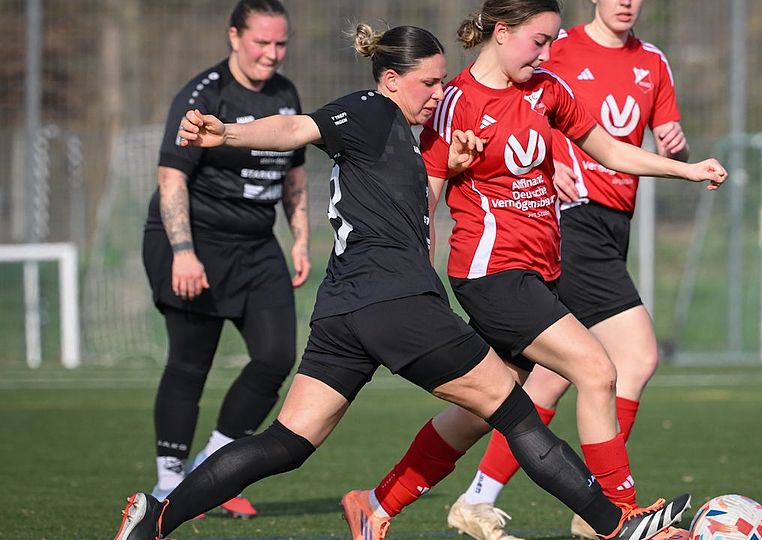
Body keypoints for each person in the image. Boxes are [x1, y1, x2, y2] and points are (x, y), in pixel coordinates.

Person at [114, 23, 683, 540]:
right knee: (515, 413)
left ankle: (155, 519)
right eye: (428, 83)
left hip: (343, 309)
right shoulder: (368, 110)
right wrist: (226, 135)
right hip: (398, 302)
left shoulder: (408, 139)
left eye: (442, 81)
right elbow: (294, 127)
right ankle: (617, 526)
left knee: (286, 442)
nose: (439, 93)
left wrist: (456, 163)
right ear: (391, 80)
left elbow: (411, 191)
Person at [341, 1, 724, 539]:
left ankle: (376, 504)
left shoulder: (547, 90)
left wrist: (686, 170)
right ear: (501, 32)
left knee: (482, 410)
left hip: (538, 272)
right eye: (538, 41)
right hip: (493, 274)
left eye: (550, 42)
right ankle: (625, 518)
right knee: (597, 370)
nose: (545, 54)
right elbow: (424, 201)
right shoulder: (454, 103)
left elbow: (611, 151)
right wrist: (415, 279)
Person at [447, 1, 691, 538]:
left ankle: (472, 498)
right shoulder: (556, 49)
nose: (626, 2)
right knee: (629, 358)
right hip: (573, 221)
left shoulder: (652, 61)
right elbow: (526, 117)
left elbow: (649, 135)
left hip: (614, 223)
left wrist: (680, 154)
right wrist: (551, 157)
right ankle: (609, 511)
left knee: (544, 378)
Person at [141, 0, 308, 520]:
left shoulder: (286, 94)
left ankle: (211, 467)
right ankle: (170, 481)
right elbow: (171, 178)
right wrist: (184, 253)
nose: (272, 54)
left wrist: (300, 239)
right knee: (190, 363)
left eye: (280, 43)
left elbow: (294, 175)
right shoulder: (203, 94)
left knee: (276, 356)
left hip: (257, 246)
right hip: (196, 241)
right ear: (234, 37)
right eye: (262, 42)